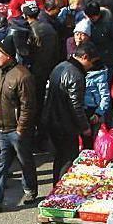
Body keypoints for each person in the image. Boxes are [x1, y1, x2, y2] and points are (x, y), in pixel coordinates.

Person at [0, 36, 39, 210]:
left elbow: (28, 106)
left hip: (17, 130)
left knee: (25, 161)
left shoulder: (22, 76)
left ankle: (30, 188)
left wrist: (21, 129)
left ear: (8, 55)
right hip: (0, 128)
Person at [43, 44, 97, 183]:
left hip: (52, 119)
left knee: (59, 157)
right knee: (67, 159)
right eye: (91, 62)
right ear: (85, 57)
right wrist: (85, 127)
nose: (91, 66)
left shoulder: (60, 66)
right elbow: (76, 106)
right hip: (65, 124)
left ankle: (56, 186)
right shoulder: (76, 75)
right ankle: (62, 190)